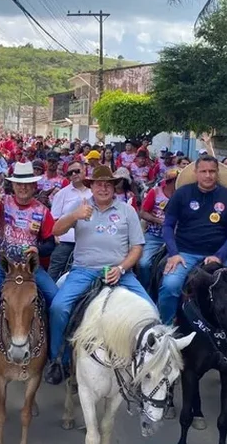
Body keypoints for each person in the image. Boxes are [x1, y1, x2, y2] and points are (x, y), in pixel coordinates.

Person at [45, 165, 155, 385]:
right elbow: (55, 230)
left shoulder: (127, 210)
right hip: (83, 270)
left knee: (150, 310)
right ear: (91, 186)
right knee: (58, 307)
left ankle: (149, 363)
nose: (103, 188)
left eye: (108, 184)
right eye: (99, 184)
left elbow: (137, 248)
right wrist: (75, 215)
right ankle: (60, 361)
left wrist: (122, 268)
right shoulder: (81, 205)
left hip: (119, 271)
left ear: (114, 187)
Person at [0, 161, 59, 372]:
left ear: (34, 187)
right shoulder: (2, 202)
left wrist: (38, 251)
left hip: (30, 270)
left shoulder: (42, 211)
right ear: (13, 186)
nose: (23, 188)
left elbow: (50, 242)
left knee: (56, 300)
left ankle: (54, 352)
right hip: (0, 266)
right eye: (19, 184)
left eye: (27, 185)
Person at [159, 156, 227, 332]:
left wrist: (219, 256)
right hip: (185, 253)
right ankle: (164, 331)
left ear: (217, 173)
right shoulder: (182, 194)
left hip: (221, 254)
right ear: (196, 173)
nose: (208, 175)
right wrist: (174, 253)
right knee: (170, 287)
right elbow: (167, 226)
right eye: (204, 171)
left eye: (212, 171)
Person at [48, 161, 92, 281]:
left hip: (89, 241)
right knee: (55, 268)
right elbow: (53, 218)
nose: (73, 174)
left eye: (77, 171)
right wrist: (56, 237)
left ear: (84, 170)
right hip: (66, 240)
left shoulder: (94, 192)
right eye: (70, 172)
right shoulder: (61, 194)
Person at [138, 168, 178, 289]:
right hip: (155, 236)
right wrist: (157, 220)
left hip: (177, 238)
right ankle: (146, 289)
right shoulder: (155, 192)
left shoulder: (184, 195)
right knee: (143, 263)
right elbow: (143, 213)